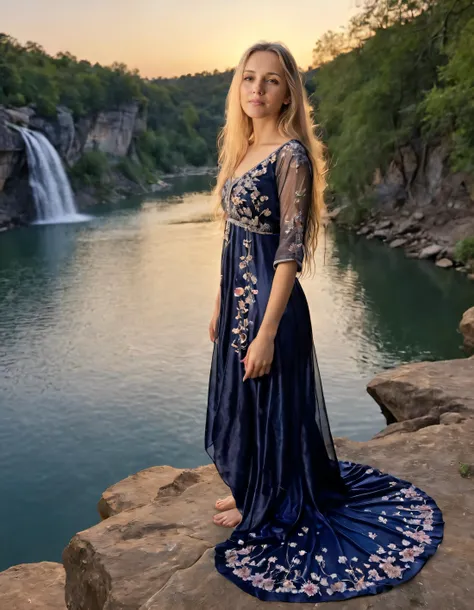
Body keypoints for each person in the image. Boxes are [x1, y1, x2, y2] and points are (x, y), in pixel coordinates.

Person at [205, 40, 443, 603]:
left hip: (272, 307)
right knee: (250, 404)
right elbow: (232, 235)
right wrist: (219, 303)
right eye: (248, 79)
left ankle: (271, 502)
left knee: (274, 404)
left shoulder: (290, 156)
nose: (257, 90)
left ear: (289, 92)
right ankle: (254, 490)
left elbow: (288, 253)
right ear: (238, 87)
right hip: (237, 300)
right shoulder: (241, 150)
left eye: (271, 81)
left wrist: (265, 330)